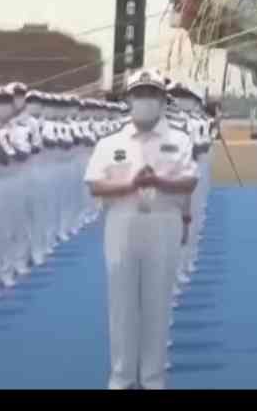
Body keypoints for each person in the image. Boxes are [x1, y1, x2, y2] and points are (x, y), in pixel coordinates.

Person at [84, 69, 198, 389]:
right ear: (129, 99)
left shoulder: (179, 140)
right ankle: (121, 376)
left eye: (152, 95)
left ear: (162, 101)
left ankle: (152, 377)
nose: (145, 101)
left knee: (157, 302)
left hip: (163, 221)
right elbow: (94, 185)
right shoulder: (110, 143)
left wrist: (158, 181)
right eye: (140, 95)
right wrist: (129, 184)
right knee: (121, 303)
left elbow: (190, 180)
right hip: (122, 221)